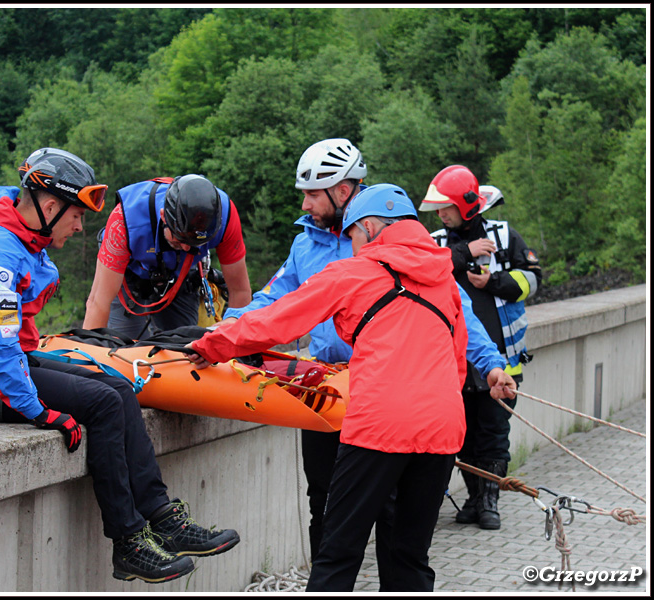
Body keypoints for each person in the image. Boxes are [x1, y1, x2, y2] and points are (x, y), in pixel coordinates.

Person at [0, 148, 239, 584]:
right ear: (50, 207)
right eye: (76, 216)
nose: (80, 226)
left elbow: (10, 344)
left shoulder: (17, 239)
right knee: (103, 405)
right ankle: (128, 543)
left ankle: (164, 519)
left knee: (120, 388)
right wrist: (38, 411)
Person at [187, 183, 512, 591]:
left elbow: (279, 319)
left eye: (354, 234)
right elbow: (457, 353)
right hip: (442, 430)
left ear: (372, 228)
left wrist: (212, 343)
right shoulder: (444, 278)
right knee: (410, 558)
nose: (352, 244)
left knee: (339, 553)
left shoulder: (353, 272)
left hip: (378, 426)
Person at [419, 164, 541, 530]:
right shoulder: (435, 243)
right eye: (437, 209)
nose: (440, 214)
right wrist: (462, 252)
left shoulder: (505, 237)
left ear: (466, 205)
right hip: (453, 365)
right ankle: (473, 499)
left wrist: (495, 281)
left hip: (501, 361)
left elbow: (534, 280)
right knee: (462, 438)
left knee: (493, 437)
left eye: (446, 207)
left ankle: (489, 502)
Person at [83, 174, 252, 339]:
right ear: (164, 217)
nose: (186, 247)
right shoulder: (124, 221)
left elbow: (240, 292)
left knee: (184, 346)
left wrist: (238, 352)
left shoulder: (226, 216)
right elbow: (98, 302)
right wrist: (89, 357)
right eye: (180, 239)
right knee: (122, 343)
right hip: (129, 271)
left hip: (181, 274)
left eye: (195, 244)